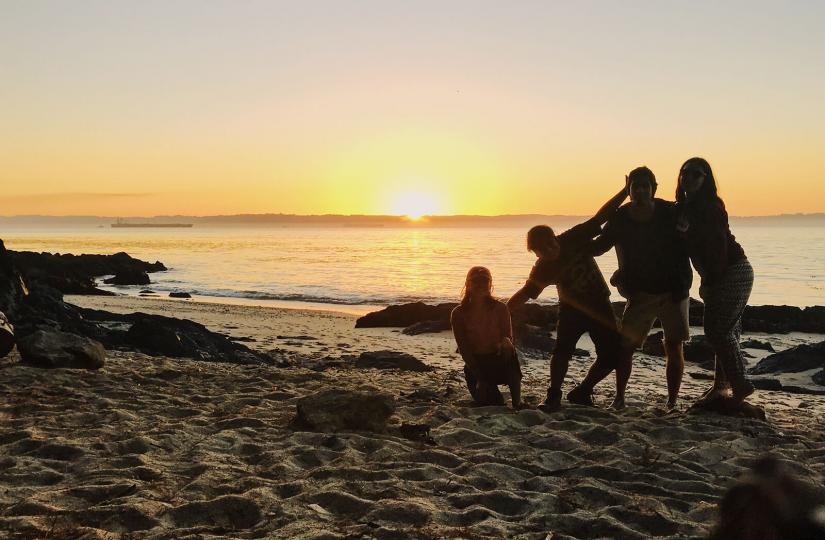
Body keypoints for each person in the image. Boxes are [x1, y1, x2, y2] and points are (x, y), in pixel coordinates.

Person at [507, 186, 628, 411]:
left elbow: (601, 217)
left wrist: (625, 192)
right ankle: (554, 394)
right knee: (562, 352)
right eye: (543, 250)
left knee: (612, 355)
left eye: (551, 244)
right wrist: (503, 309)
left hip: (599, 303)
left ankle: (583, 390)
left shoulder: (574, 237)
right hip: (571, 309)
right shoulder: (542, 268)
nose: (551, 251)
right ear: (536, 253)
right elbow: (526, 293)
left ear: (556, 238)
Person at [591, 167, 692, 410]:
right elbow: (598, 247)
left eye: (645, 186)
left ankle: (671, 401)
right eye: (635, 186)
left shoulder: (670, 211)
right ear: (629, 190)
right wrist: (569, 247)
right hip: (640, 293)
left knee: (674, 345)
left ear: (654, 188)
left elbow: (691, 231)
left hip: (674, 291)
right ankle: (620, 398)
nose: (640, 190)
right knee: (626, 347)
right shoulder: (621, 218)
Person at [675, 157, 754, 408]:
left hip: (733, 271)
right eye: (684, 172)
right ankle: (720, 388)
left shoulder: (710, 207)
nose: (688, 177)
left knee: (717, 332)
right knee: (726, 332)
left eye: (696, 174)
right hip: (720, 274)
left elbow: (718, 247)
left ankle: (740, 385)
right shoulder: (686, 207)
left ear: (706, 179)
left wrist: (711, 280)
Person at [451, 266, 523, 408]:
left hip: (498, 358)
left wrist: (505, 342)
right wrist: (480, 377)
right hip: (476, 363)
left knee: (510, 351)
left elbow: (508, 337)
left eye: (484, 281)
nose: (480, 285)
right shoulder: (458, 313)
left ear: (490, 284)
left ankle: (517, 402)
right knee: (493, 402)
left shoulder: (501, 308)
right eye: (476, 281)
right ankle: (487, 387)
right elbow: (463, 348)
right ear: (468, 284)